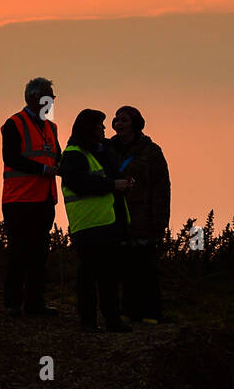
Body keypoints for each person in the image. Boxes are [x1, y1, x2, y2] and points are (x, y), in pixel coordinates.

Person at [60, 108, 133, 332]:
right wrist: (112, 185)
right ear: (90, 129)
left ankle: (112, 320)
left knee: (108, 275)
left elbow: (108, 177)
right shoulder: (74, 154)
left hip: (106, 222)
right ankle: (89, 322)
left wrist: (122, 182)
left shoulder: (98, 152)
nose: (104, 129)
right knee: (90, 276)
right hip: (88, 225)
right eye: (100, 125)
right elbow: (79, 183)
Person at [1, 77, 62, 317]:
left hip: (44, 198)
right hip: (19, 200)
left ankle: (35, 303)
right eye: (48, 96)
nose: (51, 101)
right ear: (33, 98)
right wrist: (43, 170)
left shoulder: (51, 127)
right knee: (18, 252)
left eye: (52, 97)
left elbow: (56, 156)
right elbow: (11, 158)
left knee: (39, 254)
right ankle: (13, 304)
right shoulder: (14, 123)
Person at [109, 106, 170, 323]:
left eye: (123, 119)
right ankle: (128, 312)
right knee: (124, 268)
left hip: (144, 218)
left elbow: (162, 188)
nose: (118, 123)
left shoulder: (152, 151)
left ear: (136, 123)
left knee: (147, 268)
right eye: (116, 120)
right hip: (115, 218)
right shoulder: (107, 149)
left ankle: (151, 313)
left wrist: (160, 220)